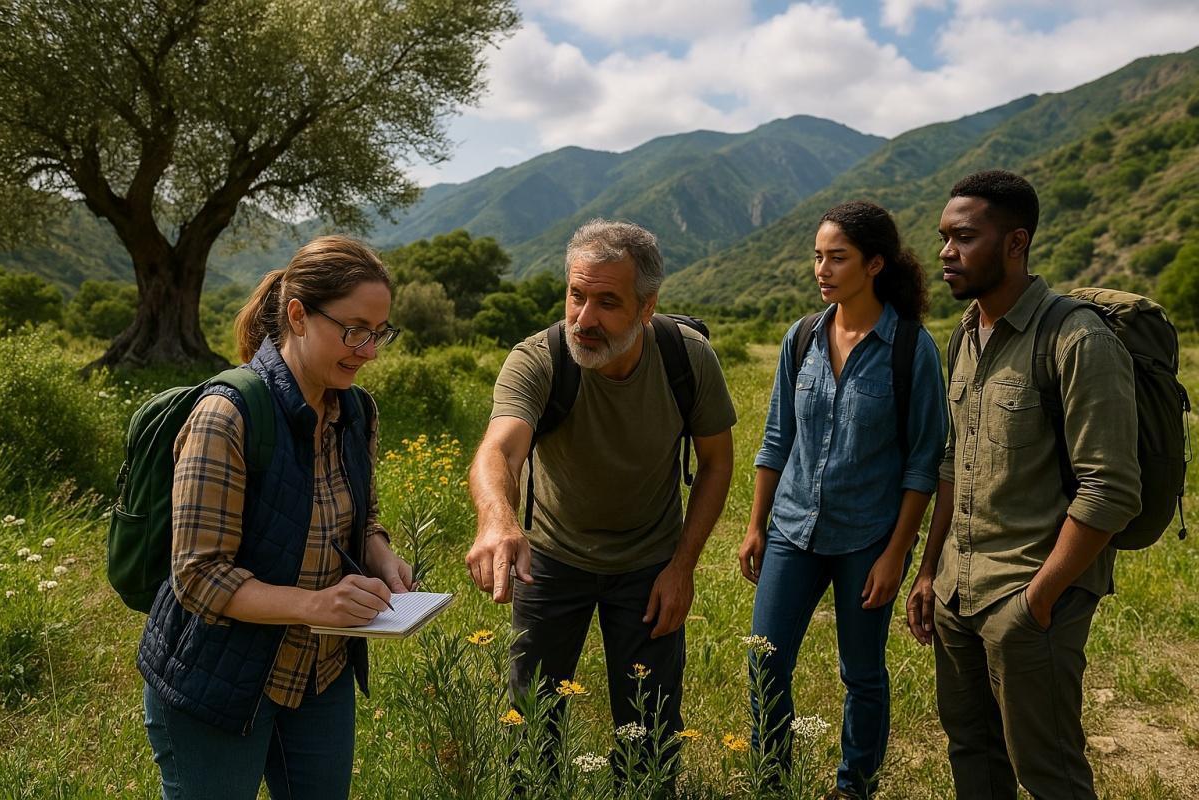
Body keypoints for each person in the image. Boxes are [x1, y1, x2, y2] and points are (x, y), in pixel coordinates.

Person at [138, 236, 415, 799]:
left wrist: (379, 551)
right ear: (297, 315)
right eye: (354, 330)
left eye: (379, 333)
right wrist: (317, 605)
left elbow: (361, 515)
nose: (369, 351)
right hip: (217, 678)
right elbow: (197, 575)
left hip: (319, 672)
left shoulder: (356, 409)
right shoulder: (228, 415)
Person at [465, 219, 737, 779]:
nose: (584, 319)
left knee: (650, 731)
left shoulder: (688, 359)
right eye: (576, 295)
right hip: (552, 562)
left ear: (646, 307)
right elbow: (500, 450)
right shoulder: (539, 358)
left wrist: (682, 567)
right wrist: (498, 522)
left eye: (607, 302)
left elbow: (716, 463)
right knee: (531, 723)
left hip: (649, 565)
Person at [905, 170, 1141, 799]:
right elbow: (954, 464)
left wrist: (1035, 603)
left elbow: (1110, 489)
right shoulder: (965, 336)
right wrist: (930, 573)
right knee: (974, 757)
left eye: (964, 238)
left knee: (1049, 772)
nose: (946, 253)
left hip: (1032, 600)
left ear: (1015, 243)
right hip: (958, 595)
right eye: (943, 238)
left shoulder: (1077, 338)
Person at [739, 201, 948, 798]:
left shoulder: (911, 349)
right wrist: (757, 525)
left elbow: (922, 464)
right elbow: (777, 436)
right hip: (792, 530)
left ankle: (854, 785)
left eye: (838, 257)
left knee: (861, 672)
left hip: (867, 538)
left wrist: (896, 554)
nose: (822, 269)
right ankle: (771, 779)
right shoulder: (801, 336)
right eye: (817, 256)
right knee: (766, 660)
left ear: (875, 264)